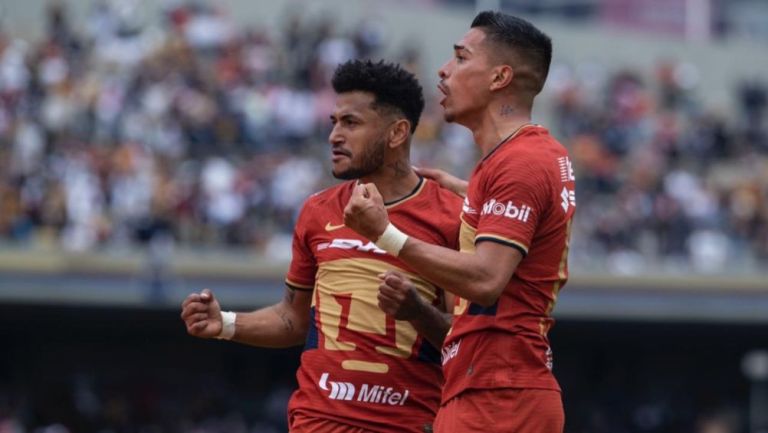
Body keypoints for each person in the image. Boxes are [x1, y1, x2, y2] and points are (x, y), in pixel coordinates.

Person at [181, 59, 462, 433]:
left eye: (351, 123)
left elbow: (464, 340)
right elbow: (294, 319)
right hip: (320, 422)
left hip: (407, 424)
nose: (334, 136)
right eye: (334, 123)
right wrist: (226, 323)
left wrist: (416, 312)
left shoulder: (451, 216)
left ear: (397, 133)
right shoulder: (318, 210)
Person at [343, 11, 575, 433]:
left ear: (499, 77)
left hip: (500, 397)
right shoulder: (517, 159)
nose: (444, 69)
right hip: (484, 387)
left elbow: (487, 278)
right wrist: (471, 194)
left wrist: (384, 233)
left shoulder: (521, 162)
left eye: (461, 58)